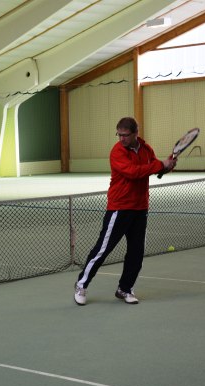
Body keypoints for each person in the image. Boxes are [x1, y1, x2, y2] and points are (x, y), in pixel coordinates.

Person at [73, 117, 176, 306]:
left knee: (136, 253)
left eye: (125, 135)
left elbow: (152, 169)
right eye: (119, 135)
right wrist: (160, 165)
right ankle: (81, 284)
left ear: (136, 133)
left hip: (140, 208)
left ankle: (125, 289)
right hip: (119, 208)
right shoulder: (117, 151)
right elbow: (133, 172)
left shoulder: (146, 149)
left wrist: (167, 166)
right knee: (103, 250)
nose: (121, 139)